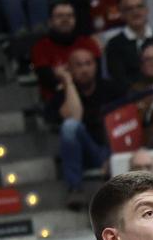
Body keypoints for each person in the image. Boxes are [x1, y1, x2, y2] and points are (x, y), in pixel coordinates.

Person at [46, 48, 124, 208]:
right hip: (85, 153)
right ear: (70, 69)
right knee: (69, 126)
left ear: (96, 66)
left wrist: (112, 155)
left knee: (114, 119)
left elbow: (124, 124)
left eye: (88, 64)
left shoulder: (112, 89)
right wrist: (67, 82)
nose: (84, 69)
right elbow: (74, 117)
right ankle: (75, 189)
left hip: (111, 149)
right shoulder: (62, 96)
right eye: (78, 65)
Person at [30, 2, 101, 101]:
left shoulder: (88, 43)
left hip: (90, 97)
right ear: (50, 21)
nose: (65, 19)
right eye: (59, 16)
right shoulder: (40, 46)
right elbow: (48, 79)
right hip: (57, 99)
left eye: (69, 16)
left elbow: (97, 74)